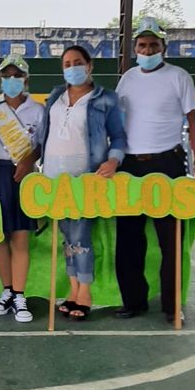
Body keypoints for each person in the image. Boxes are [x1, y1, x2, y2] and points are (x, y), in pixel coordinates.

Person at [115, 17, 195, 322]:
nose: (148, 50)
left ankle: (172, 306)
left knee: (171, 240)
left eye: (154, 45)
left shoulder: (179, 77)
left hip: (168, 163)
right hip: (129, 166)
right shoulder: (127, 79)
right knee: (128, 239)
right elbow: (116, 120)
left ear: (163, 47)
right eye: (142, 45)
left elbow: (194, 121)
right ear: (135, 49)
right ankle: (133, 302)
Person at [39, 45, 126, 320]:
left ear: (89, 66)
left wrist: (113, 161)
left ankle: (85, 292)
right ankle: (73, 287)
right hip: (54, 177)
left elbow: (119, 136)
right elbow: (44, 133)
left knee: (80, 234)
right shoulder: (56, 95)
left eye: (77, 62)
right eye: (66, 64)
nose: (72, 68)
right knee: (67, 235)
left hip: (85, 178)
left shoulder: (106, 99)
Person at [0, 54, 44, 324]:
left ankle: (19, 295)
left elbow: (41, 145)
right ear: (0, 79)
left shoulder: (38, 110)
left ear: (26, 79)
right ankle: (6, 291)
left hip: (22, 175)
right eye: (7, 76)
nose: (12, 80)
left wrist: (28, 162)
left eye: (17, 76)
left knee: (20, 237)